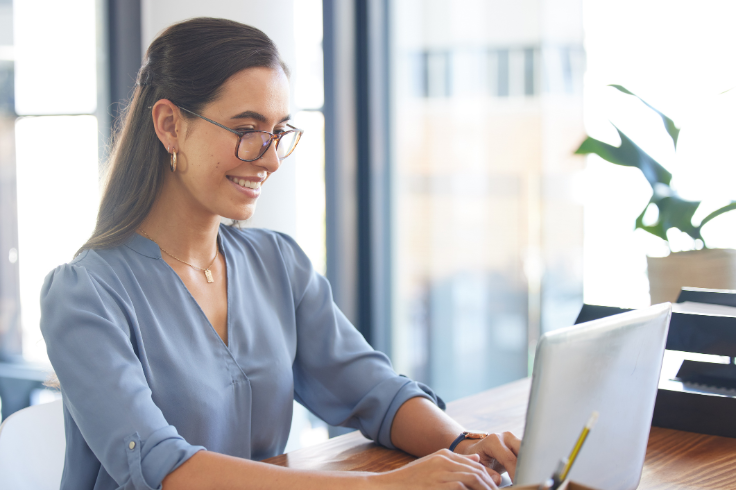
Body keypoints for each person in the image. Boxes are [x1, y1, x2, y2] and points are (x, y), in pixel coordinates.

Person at [40, 17, 520, 490]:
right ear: (170, 125)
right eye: (248, 129)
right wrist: (386, 487)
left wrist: (460, 446)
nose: (270, 159)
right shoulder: (84, 295)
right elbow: (164, 468)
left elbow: (375, 391)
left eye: (278, 133)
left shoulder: (277, 263)